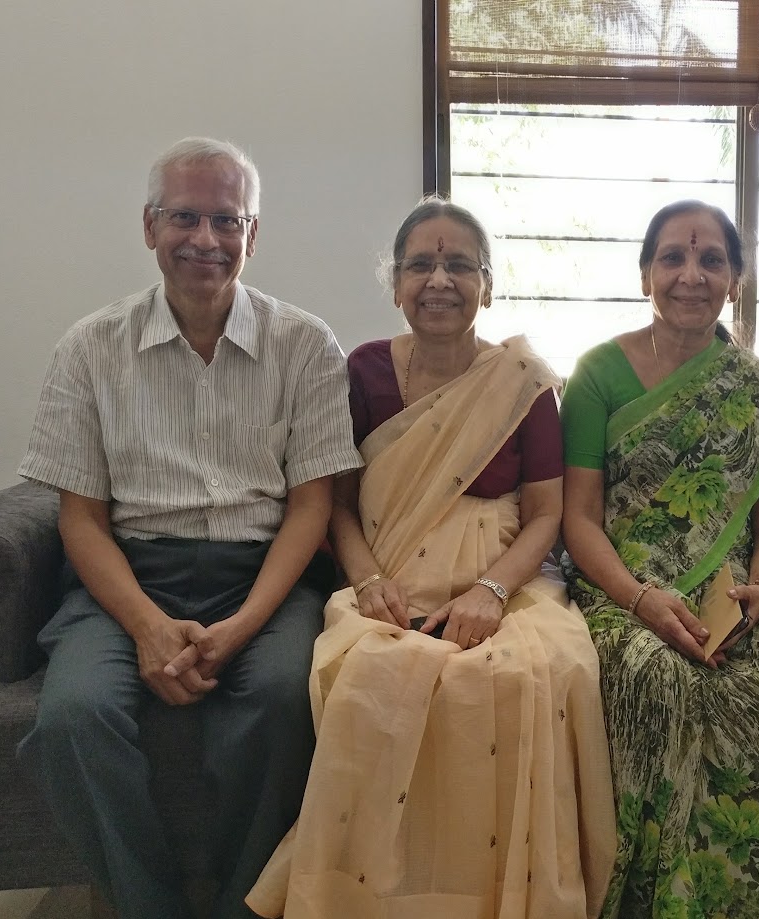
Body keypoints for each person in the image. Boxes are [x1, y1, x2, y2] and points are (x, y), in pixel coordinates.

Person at [15, 137, 360, 919]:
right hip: (128, 577)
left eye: (227, 220)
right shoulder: (90, 347)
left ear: (252, 234)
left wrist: (241, 627)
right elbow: (81, 518)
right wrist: (146, 624)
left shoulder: (305, 344)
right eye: (184, 217)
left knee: (285, 697)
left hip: (261, 575)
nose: (206, 238)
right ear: (149, 226)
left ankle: (244, 905)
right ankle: (150, 905)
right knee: (73, 716)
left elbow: (311, 507)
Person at [246, 198, 617, 919]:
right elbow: (338, 505)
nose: (439, 280)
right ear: (395, 285)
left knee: (540, 672)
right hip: (386, 575)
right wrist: (367, 580)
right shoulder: (363, 372)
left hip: (505, 578)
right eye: (420, 264)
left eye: (459, 266)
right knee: (370, 675)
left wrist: (491, 592)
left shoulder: (524, 381)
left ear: (488, 286)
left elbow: (546, 514)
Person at [561, 200, 759, 919]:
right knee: (657, 677)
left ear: (734, 281)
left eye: (712, 259)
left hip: (735, 587)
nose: (691, 274)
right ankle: (654, 899)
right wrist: (639, 597)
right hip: (621, 587)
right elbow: (578, 519)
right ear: (645, 276)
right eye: (673, 258)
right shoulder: (597, 374)